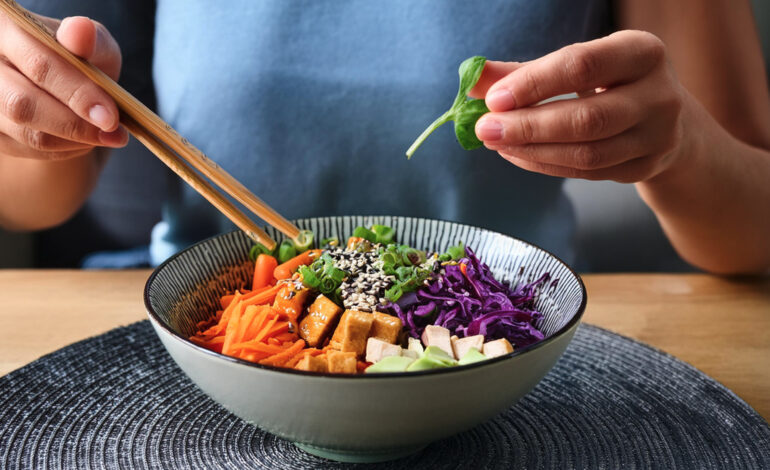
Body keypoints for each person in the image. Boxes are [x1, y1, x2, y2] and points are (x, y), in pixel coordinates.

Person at [0, 0, 768, 274]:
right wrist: (30, 115)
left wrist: (681, 149)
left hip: (515, 345)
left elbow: (753, 230)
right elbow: (35, 197)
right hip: (213, 332)